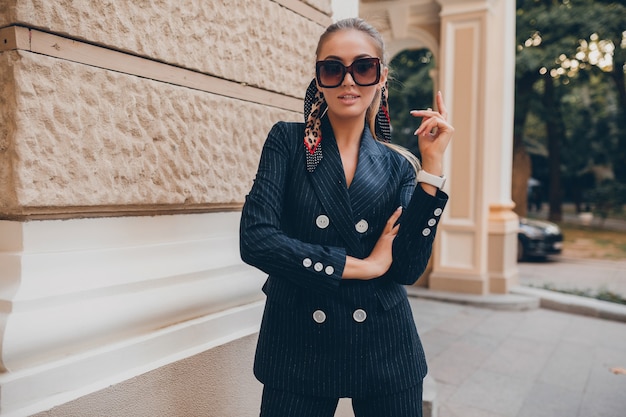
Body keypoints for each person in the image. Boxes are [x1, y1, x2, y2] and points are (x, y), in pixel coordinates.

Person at [240, 17, 454, 417]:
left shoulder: (400, 166)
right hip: (298, 341)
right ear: (319, 77)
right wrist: (362, 266)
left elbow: (406, 267)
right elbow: (256, 239)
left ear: (381, 76)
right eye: (333, 68)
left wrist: (432, 165)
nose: (348, 81)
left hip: (385, 347)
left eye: (363, 67)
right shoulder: (287, 142)